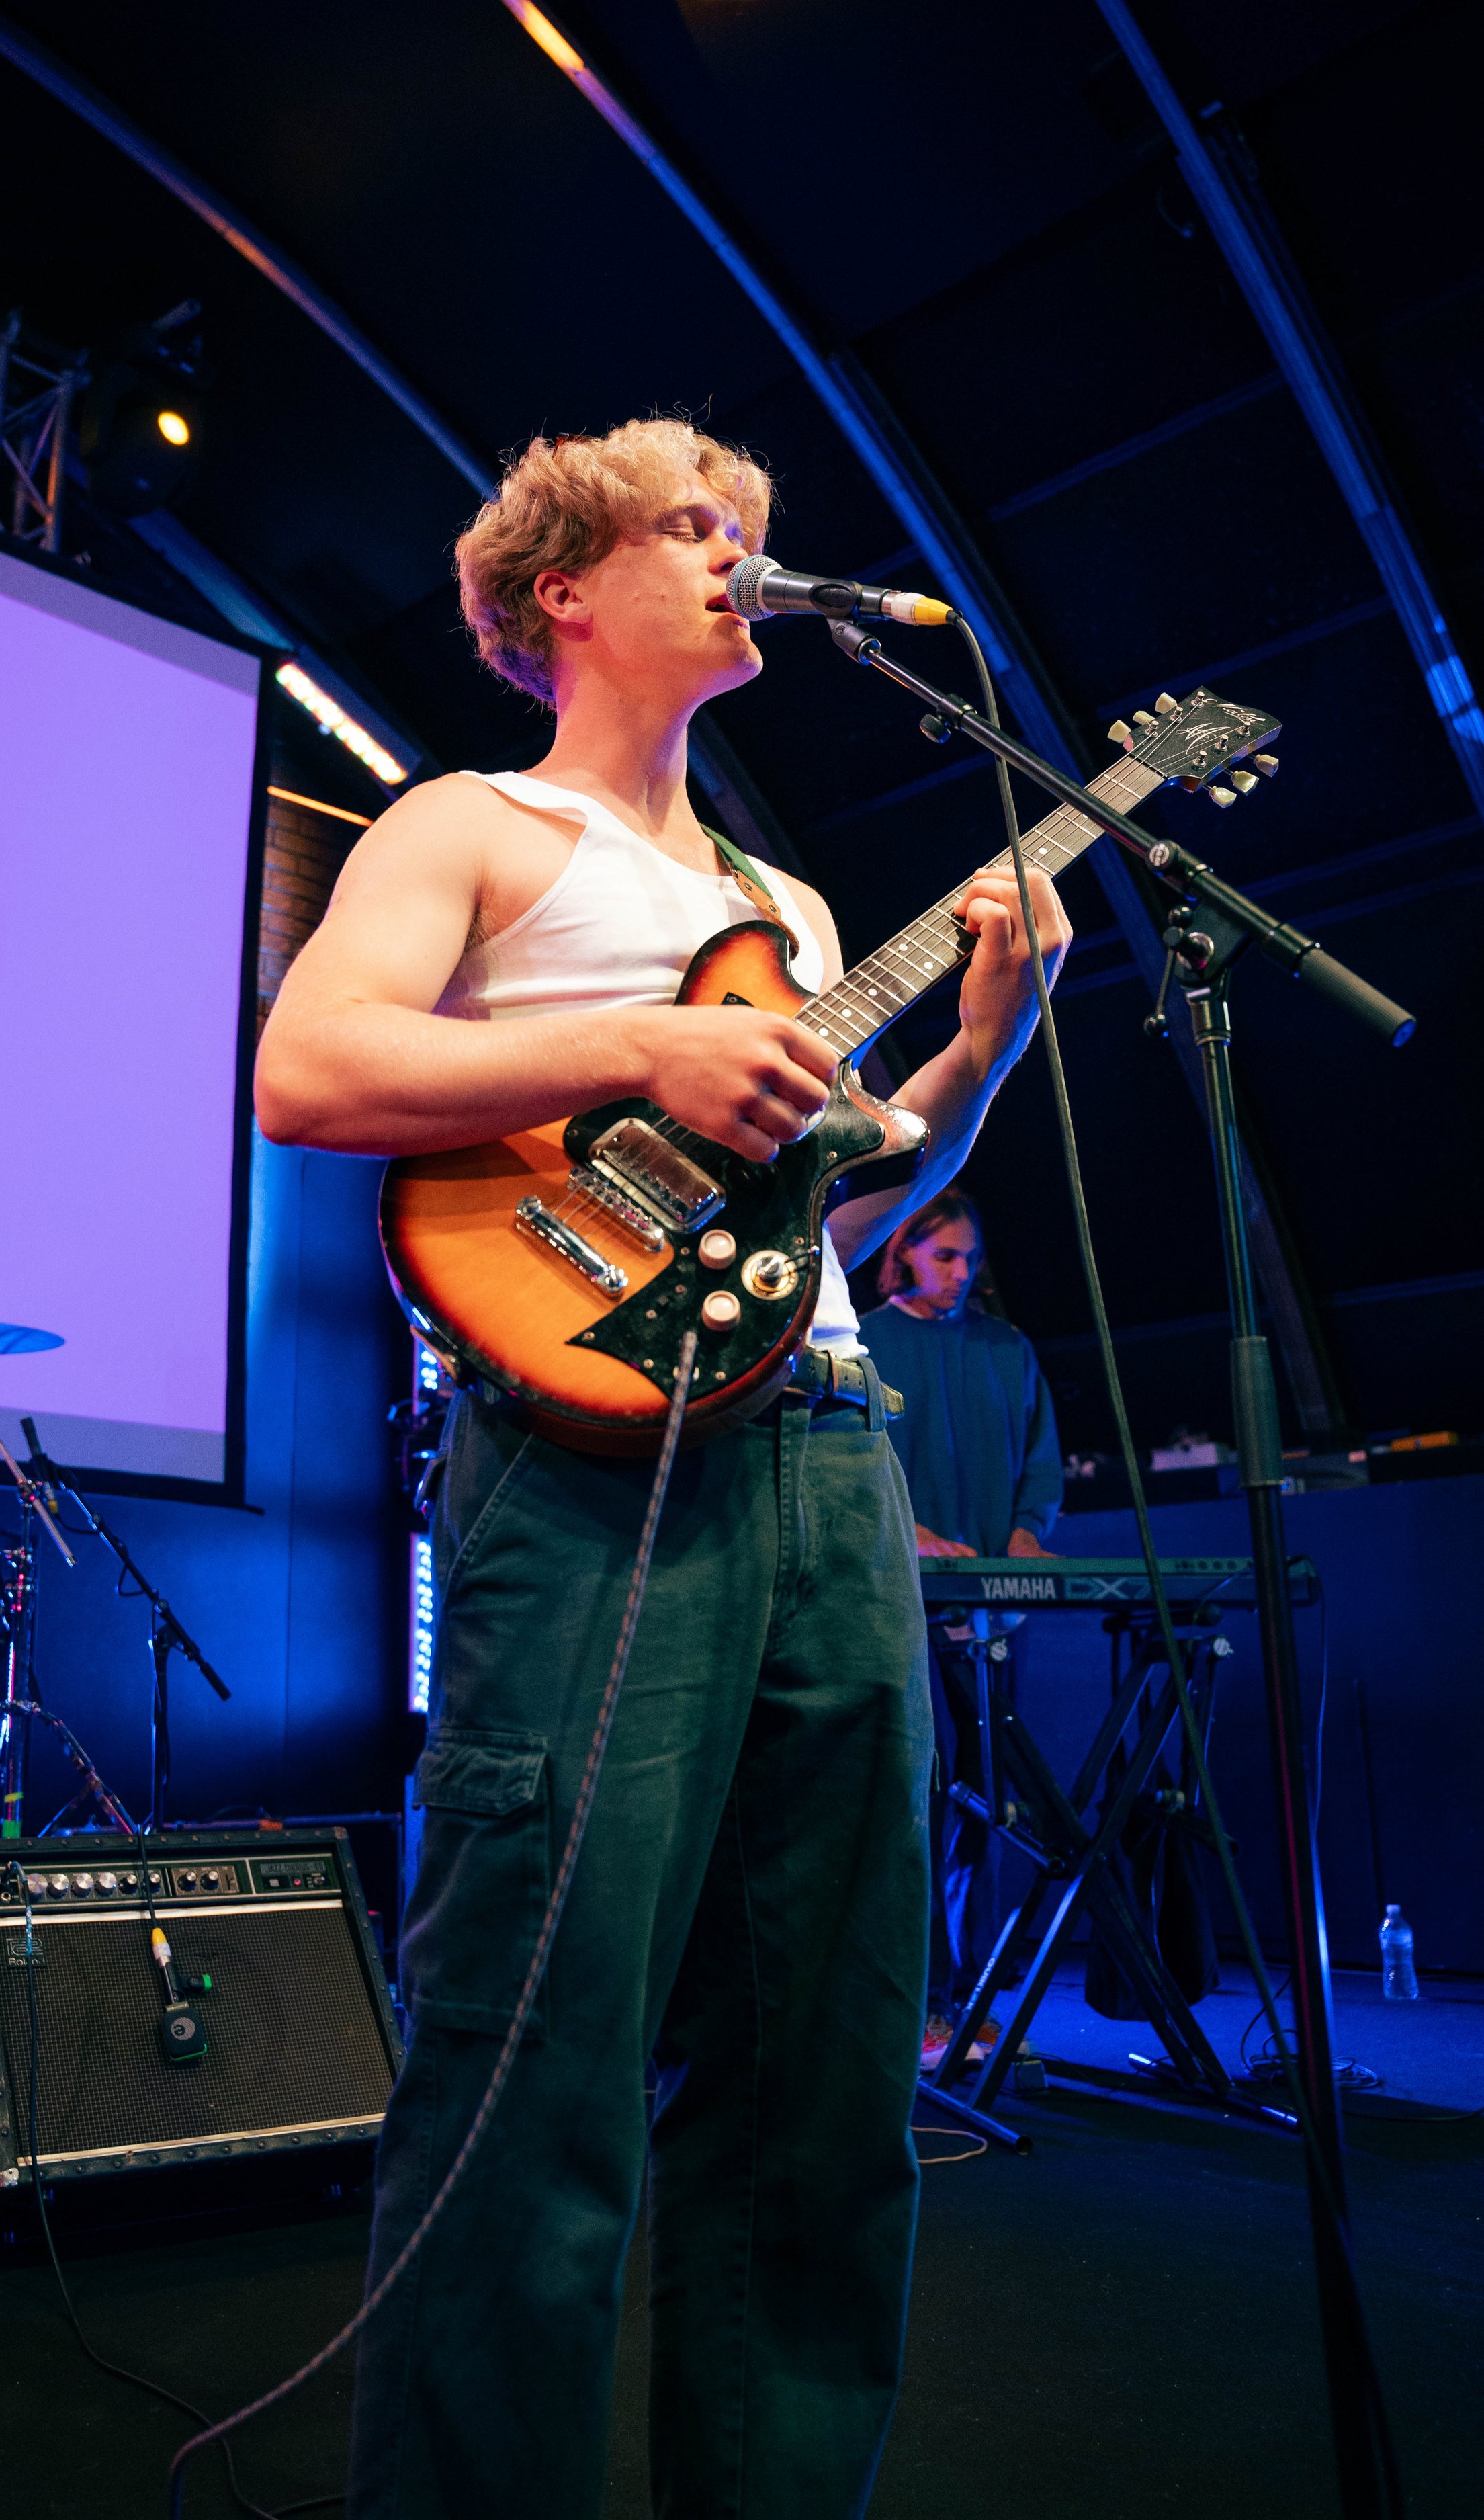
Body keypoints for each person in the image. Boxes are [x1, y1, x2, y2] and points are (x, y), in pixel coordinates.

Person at [255, 418, 1070, 2520]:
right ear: (563, 594)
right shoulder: (474, 823)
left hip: (826, 1445)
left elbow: (844, 1221)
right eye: (694, 528)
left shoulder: (782, 901)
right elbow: (312, 1064)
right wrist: (640, 1043)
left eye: (753, 534)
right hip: (579, 1464)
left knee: (824, 2074)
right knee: (538, 2047)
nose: (740, 560)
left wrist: (972, 1051)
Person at [858, 1193, 1064, 2061]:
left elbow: (1039, 1468)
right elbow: (853, 1460)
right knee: (917, 1800)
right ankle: (924, 2004)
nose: (962, 1273)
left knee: (986, 1805)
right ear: (904, 1251)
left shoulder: (1007, 1349)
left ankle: (974, 1998)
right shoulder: (866, 1340)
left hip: (989, 1613)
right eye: (945, 1256)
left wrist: (1022, 1541)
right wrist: (911, 1534)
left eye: (971, 1259)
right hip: (899, 1608)